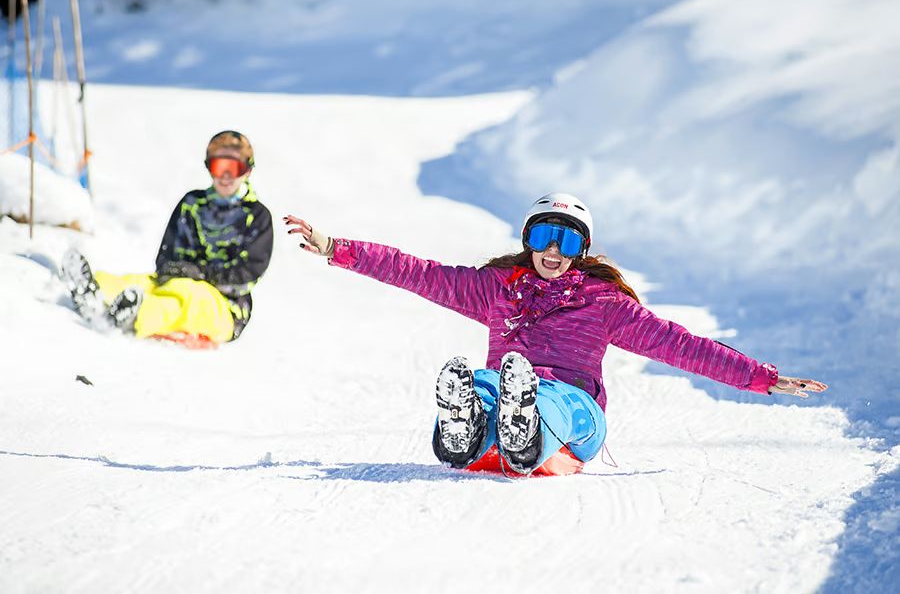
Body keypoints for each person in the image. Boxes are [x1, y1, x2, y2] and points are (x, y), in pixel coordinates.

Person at [284, 192, 826, 476]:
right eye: (544, 235)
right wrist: (337, 248)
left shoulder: (604, 305)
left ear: (582, 252)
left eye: (568, 243)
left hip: (577, 421)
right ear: (528, 238)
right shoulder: (498, 288)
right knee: (483, 383)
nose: (553, 251)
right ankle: (467, 431)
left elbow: (681, 345)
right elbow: (419, 272)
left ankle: (526, 429)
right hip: (507, 400)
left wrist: (762, 378)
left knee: (550, 396)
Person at [61, 130, 273, 347]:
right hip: (177, 282)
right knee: (141, 282)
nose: (226, 176)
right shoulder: (192, 203)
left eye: (234, 168)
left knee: (185, 300)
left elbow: (249, 273)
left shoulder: (256, 216)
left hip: (226, 307)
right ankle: (95, 290)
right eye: (220, 167)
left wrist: (201, 274)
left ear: (246, 171)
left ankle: (134, 315)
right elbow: (167, 253)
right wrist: (172, 269)